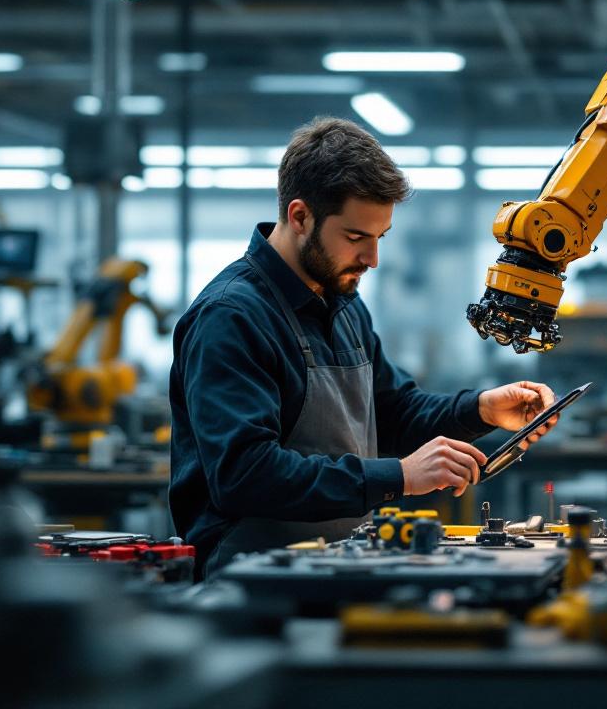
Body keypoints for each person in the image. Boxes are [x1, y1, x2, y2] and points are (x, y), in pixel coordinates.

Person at [169, 117, 559, 578]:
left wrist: (480, 410)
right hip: (247, 586)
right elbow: (245, 475)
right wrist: (399, 477)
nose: (372, 259)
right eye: (356, 238)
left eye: (379, 239)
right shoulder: (232, 317)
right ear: (300, 217)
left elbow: (392, 413)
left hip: (336, 569)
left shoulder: (343, 305)